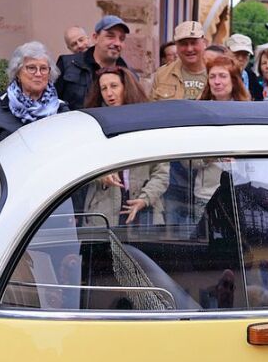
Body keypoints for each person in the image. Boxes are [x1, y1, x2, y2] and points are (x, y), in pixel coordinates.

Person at [81, 67, 156, 225]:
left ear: (126, 87)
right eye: (104, 88)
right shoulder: (92, 125)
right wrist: (100, 175)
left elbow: (162, 172)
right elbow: (82, 164)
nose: (109, 93)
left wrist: (145, 199)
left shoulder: (148, 122)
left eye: (114, 86)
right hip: (103, 209)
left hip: (143, 211)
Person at [0, 41, 64, 160]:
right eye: (31, 68)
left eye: (43, 68)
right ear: (17, 72)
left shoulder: (60, 109)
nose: (38, 74)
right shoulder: (0, 108)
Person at [55, 15, 132, 110]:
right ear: (95, 38)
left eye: (122, 38)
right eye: (110, 36)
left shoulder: (130, 75)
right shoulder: (67, 64)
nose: (117, 43)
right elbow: (52, 102)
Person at [151, 21, 208, 100]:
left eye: (194, 43)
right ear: (176, 46)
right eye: (184, 44)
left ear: (204, 43)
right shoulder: (162, 75)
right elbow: (152, 109)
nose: (189, 49)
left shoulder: (216, 74)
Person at [224, 33, 261, 101]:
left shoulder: (251, 77)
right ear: (226, 52)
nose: (240, 58)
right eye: (236, 53)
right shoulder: (216, 75)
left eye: (245, 54)